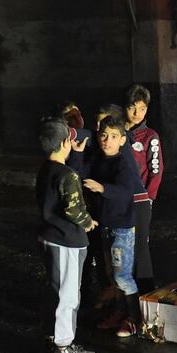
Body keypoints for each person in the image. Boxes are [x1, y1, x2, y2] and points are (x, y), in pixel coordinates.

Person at [69, 116, 141, 338]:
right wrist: (78, 152)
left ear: (122, 140)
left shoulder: (123, 164)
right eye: (103, 135)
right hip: (104, 227)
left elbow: (126, 193)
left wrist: (102, 188)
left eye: (113, 136)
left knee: (123, 276)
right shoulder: (98, 159)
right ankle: (119, 312)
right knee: (112, 275)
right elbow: (78, 175)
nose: (107, 140)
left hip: (121, 228)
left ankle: (134, 319)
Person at [35, 117, 98, 353]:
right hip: (67, 241)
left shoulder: (45, 169)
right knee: (68, 295)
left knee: (54, 288)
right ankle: (63, 348)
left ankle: (52, 338)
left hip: (48, 237)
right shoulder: (67, 175)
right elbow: (74, 210)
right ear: (64, 143)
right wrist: (88, 222)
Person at [124, 84, 162, 295]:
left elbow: (156, 170)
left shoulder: (150, 137)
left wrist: (148, 198)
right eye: (132, 108)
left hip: (141, 202)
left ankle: (146, 294)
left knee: (141, 247)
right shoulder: (116, 134)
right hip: (119, 201)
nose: (137, 113)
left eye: (142, 108)